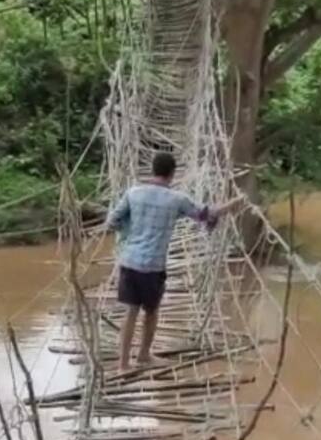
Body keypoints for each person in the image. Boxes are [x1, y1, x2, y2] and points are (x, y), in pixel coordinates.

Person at [105, 152, 245, 372]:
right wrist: (234, 204)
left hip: (129, 261)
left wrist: (130, 231)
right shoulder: (177, 199)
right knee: (151, 311)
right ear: (172, 174)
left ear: (152, 170)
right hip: (153, 266)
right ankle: (143, 355)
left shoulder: (133, 193)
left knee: (130, 312)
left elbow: (112, 221)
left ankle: (123, 364)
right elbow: (205, 214)